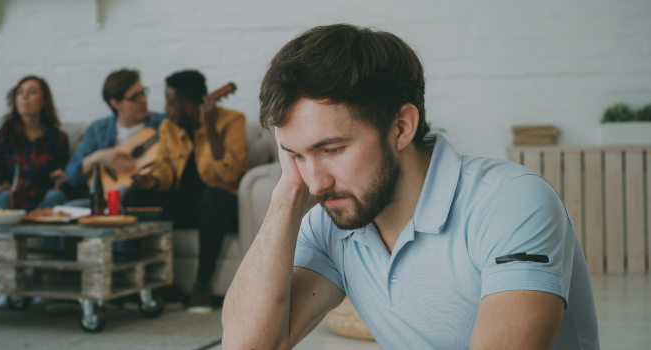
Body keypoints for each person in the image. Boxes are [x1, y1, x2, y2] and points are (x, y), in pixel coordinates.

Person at [222, 24, 599, 349]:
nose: (316, 182)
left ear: (402, 126)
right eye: (297, 155)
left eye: (332, 149)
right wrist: (287, 191)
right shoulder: (332, 223)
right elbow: (247, 345)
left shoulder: (510, 201)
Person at [124, 70, 249, 314]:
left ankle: (201, 286)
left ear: (190, 107)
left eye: (171, 104)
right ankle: (156, 284)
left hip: (221, 206)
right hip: (189, 204)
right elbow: (165, 167)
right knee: (133, 197)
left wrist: (209, 127)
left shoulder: (233, 121)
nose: (166, 108)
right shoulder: (169, 127)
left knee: (211, 197)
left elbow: (231, 174)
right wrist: (154, 181)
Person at [64, 69, 166, 193]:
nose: (143, 100)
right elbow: (71, 175)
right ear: (115, 103)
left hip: (146, 196)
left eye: (143, 93)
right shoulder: (98, 129)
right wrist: (98, 157)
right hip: (105, 198)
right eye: (135, 97)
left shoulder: (163, 124)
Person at [0, 76, 69, 228]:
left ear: (44, 101)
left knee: (56, 195)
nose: (24, 97)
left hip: (43, 201)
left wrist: (60, 177)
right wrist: (0, 185)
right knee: (4, 196)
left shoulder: (58, 138)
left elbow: (64, 173)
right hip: (14, 199)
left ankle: (49, 251)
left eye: (32, 92)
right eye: (20, 92)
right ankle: (5, 249)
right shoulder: (3, 135)